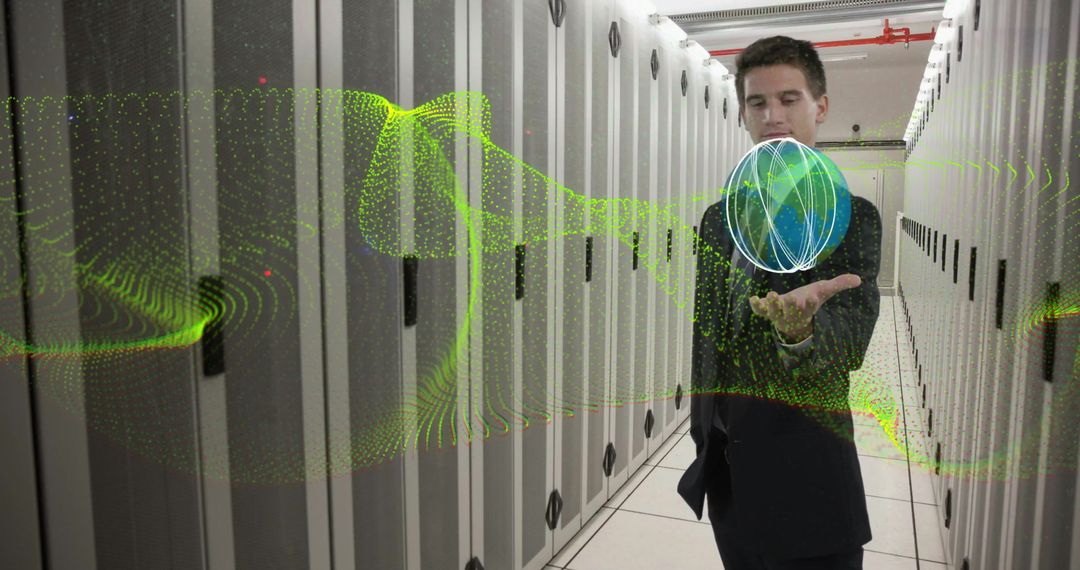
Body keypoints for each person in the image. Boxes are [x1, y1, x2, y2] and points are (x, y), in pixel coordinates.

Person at [677, 36, 883, 569]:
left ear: (821, 105)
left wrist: (800, 334)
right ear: (743, 110)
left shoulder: (851, 219)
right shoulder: (718, 221)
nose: (773, 116)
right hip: (727, 474)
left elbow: (851, 337)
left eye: (789, 99)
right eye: (757, 102)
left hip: (807, 482)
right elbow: (710, 333)